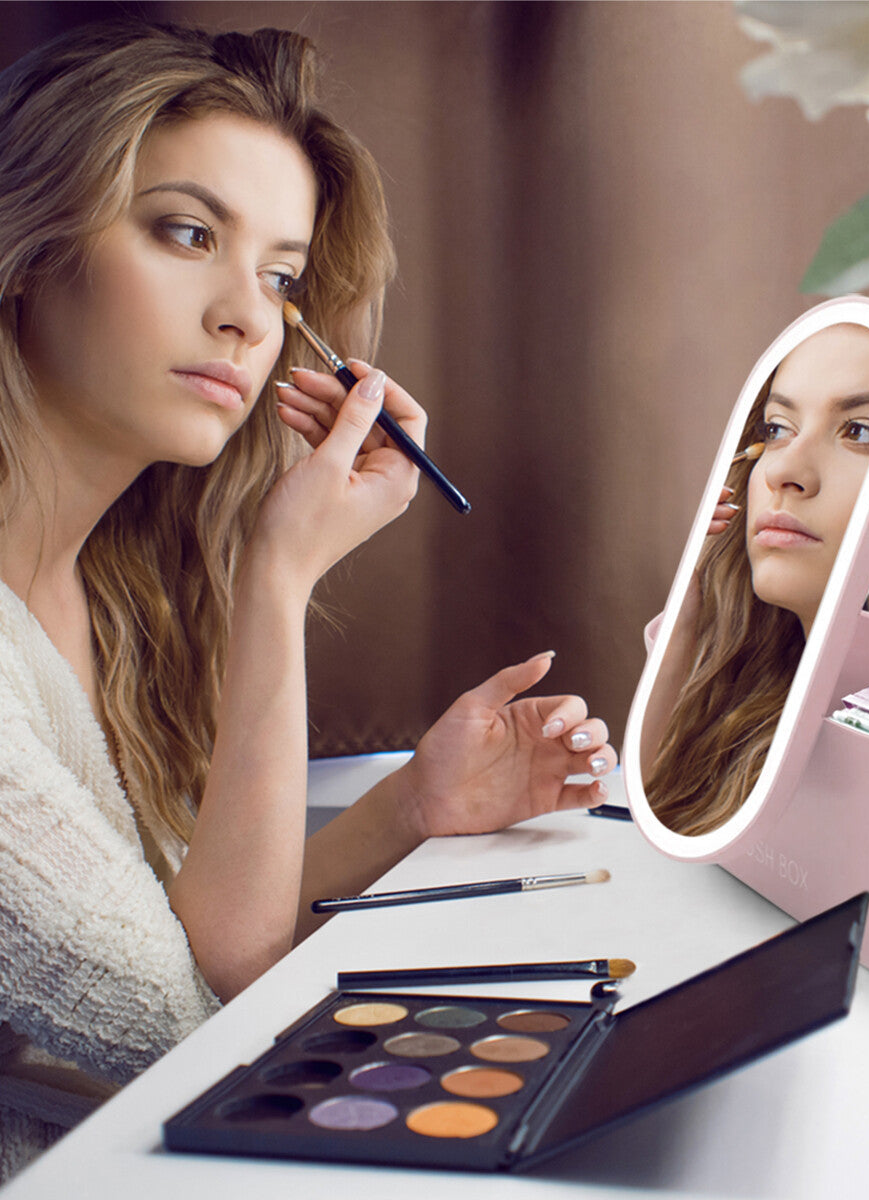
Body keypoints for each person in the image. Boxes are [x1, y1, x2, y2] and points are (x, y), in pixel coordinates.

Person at [0, 20, 616, 1180]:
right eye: (186, 233)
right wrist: (280, 575)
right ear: (30, 243)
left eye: (281, 276)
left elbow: (191, 924)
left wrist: (409, 811)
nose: (248, 315)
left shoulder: (113, 587)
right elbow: (186, 1021)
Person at [643, 321, 869, 836]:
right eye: (776, 429)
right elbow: (653, 813)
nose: (784, 471)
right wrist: (689, 611)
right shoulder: (740, 700)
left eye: (860, 431)